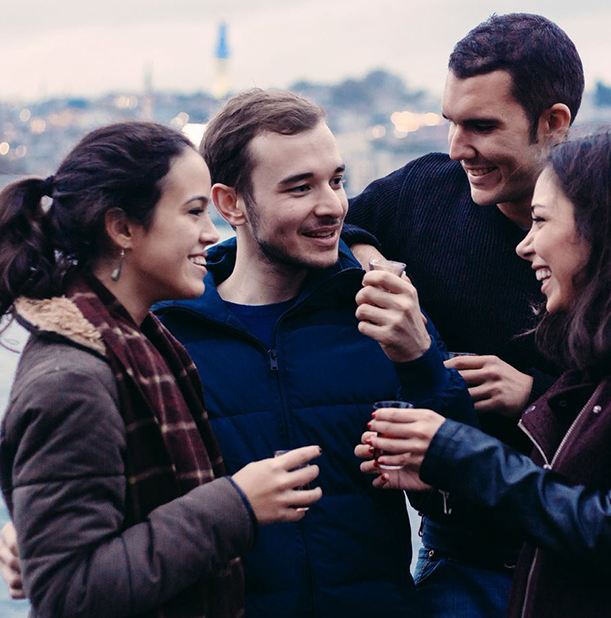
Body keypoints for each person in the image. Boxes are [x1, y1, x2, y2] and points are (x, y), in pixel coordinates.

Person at [359, 127, 611, 617]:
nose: (525, 246)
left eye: (540, 221)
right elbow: (575, 497)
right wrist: (440, 468)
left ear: (602, 227)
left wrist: (458, 452)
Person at [0, 121, 323, 617]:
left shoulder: (146, 341)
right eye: (193, 212)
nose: (210, 234)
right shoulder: (72, 380)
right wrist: (235, 504)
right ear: (122, 228)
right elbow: (69, 593)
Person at [154, 89, 475, 617]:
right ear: (231, 203)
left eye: (337, 180)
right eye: (300, 188)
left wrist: (420, 360)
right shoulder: (170, 331)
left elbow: (469, 483)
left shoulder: (380, 306)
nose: (333, 206)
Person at [341, 12, 583, 615]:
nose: (457, 148)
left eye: (480, 126)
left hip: (573, 563)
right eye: (451, 122)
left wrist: (535, 394)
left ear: (553, 123)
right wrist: (369, 257)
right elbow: (334, 225)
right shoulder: (428, 190)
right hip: (455, 555)